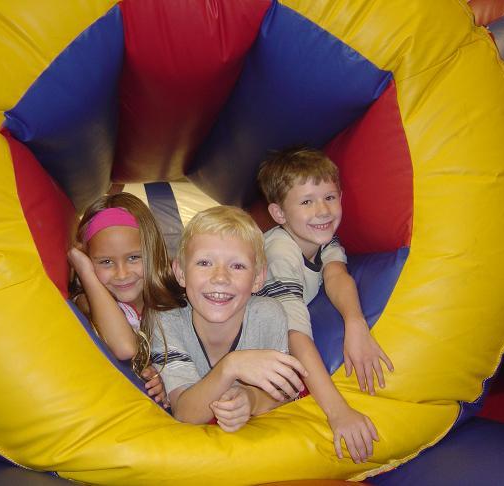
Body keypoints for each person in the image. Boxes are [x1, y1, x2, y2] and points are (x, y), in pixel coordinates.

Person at [256, 146, 394, 463]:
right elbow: (294, 334)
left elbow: (337, 276)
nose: (323, 210)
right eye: (306, 202)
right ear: (279, 214)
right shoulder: (280, 251)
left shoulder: (323, 238)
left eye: (330, 197)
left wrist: (355, 324)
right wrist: (338, 412)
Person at [151, 206, 307, 433]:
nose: (221, 278)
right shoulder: (167, 322)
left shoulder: (267, 315)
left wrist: (251, 399)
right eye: (204, 263)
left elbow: (284, 391)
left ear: (257, 278)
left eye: (237, 266)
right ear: (181, 272)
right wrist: (232, 366)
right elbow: (185, 412)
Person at [68, 192, 184, 406]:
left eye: (133, 258)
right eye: (105, 262)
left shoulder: (175, 296)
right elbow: (125, 348)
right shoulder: (89, 302)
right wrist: (85, 272)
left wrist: (169, 379)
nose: (122, 274)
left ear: (152, 252)